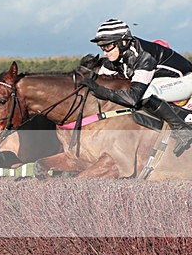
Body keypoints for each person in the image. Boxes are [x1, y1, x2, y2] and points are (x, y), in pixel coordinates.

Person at [80, 19, 192, 156]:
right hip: (164, 81)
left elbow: (133, 98)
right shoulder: (117, 57)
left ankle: (182, 129)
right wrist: (87, 71)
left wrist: (101, 91)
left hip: (185, 81)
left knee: (145, 93)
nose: (105, 53)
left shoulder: (144, 56)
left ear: (122, 42)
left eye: (108, 47)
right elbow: (102, 78)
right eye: (102, 48)